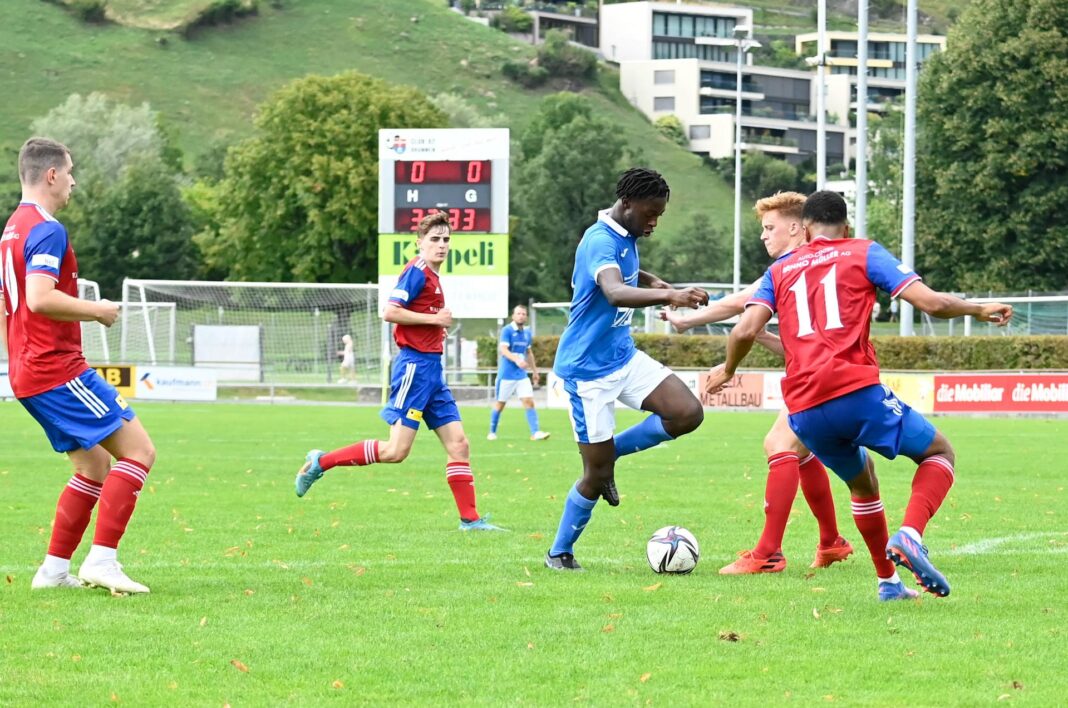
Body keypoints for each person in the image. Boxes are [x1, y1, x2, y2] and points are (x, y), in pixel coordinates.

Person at [705, 190, 1013, 600]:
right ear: (845, 227)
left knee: (863, 484)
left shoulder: (779, 270)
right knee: (939, 453)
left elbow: (745, 329)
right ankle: (911, 534)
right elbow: (931, 303)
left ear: (806, 230)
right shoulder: (863, 251)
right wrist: (977, 309)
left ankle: (889, 583)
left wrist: (728, 370)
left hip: (804, 412)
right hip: (855, 391)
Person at [660, 192, 853, 574]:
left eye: (769, 227)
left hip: (829, 376)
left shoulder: (795, 264)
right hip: (828, 371)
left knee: (779, 444)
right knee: (801, 450)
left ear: (796, 228)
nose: (763, 236)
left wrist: (687, 321)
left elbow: (739, 302)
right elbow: (797, 346)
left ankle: (769, 554)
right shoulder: (819, 260)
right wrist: (761, 336)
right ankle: (831, 542)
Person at [1, 137, 157, 594]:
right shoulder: (47, 229)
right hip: (55, 368)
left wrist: (17, 354)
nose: (73, 181)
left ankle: (53, 572)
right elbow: (39, 298)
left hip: (28, 371)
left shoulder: (12, 229)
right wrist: (98, 310)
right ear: (51, 175)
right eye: (69, 172)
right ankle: (103, 561)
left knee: (93, 466)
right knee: (140, 452)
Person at [296, 211, 504, 531]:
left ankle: (470, 520)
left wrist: (434, 328)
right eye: (434, 239)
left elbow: (415, 316)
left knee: (459, 445)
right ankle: (320, 462)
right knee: (396, 451)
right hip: (414, 369)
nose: (442, 245)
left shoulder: (432, 276)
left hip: (432, 372)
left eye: (446, 239)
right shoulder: (417, 271)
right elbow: (390, 311)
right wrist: (435, 320)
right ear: (420, 243)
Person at [545, 167, 709, 571]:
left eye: (659, 215)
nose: (654, 223)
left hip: (623, 356)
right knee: (594, 476)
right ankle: (559, 553)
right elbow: (615, 291)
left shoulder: (624, 234)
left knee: (687, 412)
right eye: (650, 214)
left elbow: (628, 273)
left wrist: (656, 283)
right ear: (627, 203)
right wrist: (670, 295)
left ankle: (609, 452)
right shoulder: (600, 239)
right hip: (587, 371)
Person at [487, 304, 550, 442]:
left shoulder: (527, 332)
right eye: (518, 313)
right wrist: (516, 360)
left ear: (526, 317)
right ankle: (492, 432)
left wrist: (534, 371)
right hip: (506, 375)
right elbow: (503, 350)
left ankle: (535, 432)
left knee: (529, 401)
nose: (521, 316)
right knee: (500, 404)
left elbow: (528, 352)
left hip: (521, 375)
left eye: (523, 314)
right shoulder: (507, 330)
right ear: (513, 316)